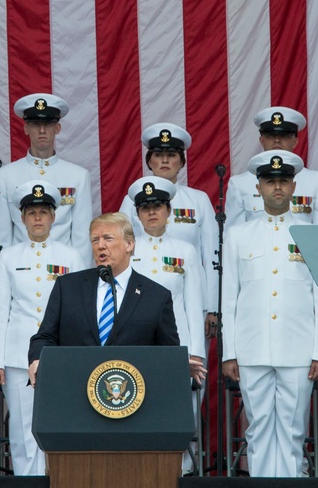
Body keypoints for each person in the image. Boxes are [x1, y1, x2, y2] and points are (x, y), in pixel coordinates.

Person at [221, 150, 318, 478]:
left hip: (298, 347)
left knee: (293, 428)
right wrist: (229, 352)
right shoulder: (238, 235)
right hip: (252, 346)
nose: (277, 188)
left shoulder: (315, 234)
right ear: (257, 187)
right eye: (270, 182)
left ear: (294, 185)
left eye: (283, 181)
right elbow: (230, 298)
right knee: (257, 428)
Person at [0, 180, 85, 476]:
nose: (38, 218)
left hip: (61, 355)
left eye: (44, 211)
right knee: (22, 431)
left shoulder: (71, 257)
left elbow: (80, 312)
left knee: (60, 426)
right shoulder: (9, 256)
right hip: (18, 356)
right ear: (22, 217)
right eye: (32, 212)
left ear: (55, 217)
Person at [27, 213, 182, 386]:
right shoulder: (68, 287)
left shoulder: (156, 296)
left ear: (129, 244)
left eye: (108, 238)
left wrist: (179, 363)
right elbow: (45, 337)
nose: (100, 245)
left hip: (130, 396)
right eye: (95, 240)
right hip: (74, 388)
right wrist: (37, 358)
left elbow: (168, 352)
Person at [127, 175, 206, 473]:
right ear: (136, 214)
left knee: (179, 411)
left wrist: (196, 352)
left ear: (169, 211)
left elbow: (193, 305)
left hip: (177, 343)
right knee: (136, 406)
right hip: (137, 344)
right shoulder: (127, 250)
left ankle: (182, 470)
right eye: (145, 207)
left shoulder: (185, 251)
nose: (152, 212)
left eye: (158, 206)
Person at [118, 123, 217, 316]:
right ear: (149, 161)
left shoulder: (199, 199)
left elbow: (212, 256)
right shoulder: (130, 201)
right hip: (141, 294)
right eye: (158, 155)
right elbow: (121, 251)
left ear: (181, 162)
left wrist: (212, 308)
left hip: (192, 296)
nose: (164, 160)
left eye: (171, 155)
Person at [0, 93, 93, 256]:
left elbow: (82, 239)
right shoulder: (5, 176)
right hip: (20, 269)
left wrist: (79, 280)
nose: (42, 130)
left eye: (48, 124)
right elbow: (2, 238)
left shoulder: (78, 176)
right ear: (25, 128)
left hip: (63, 270)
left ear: (58, 128)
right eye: (35, 124)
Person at [225, 106, 318, 227]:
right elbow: (233, 234)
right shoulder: (239, 184)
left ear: (295, 141)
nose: (277, 140)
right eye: (271, 135)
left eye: (284, 135)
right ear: (261, 140)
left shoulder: (317, 182)